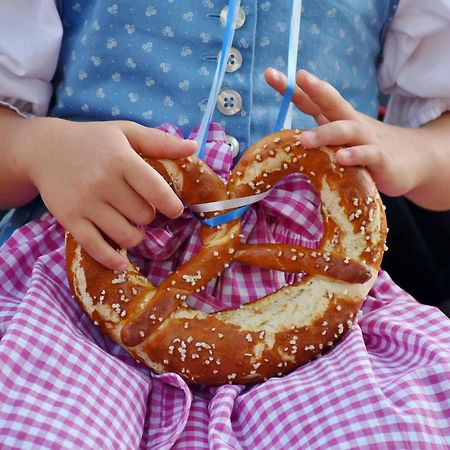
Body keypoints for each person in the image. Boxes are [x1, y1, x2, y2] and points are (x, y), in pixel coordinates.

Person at [1, 1, 450, 448]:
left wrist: (414, 152)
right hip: (83, 290)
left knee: (396, 436)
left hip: (322, 316)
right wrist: (37, 149)